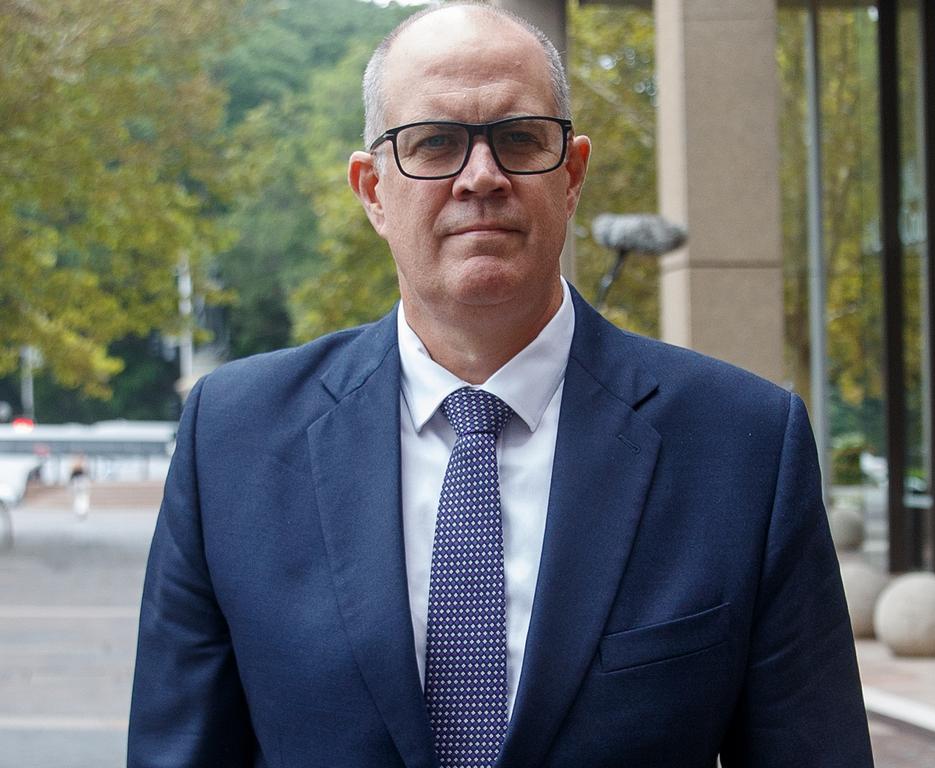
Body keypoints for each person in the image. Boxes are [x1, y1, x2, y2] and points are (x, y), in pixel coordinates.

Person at [128, 4, 874, 767]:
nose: (480, 177)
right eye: (435, 143)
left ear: (573, 174)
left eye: (519, 139)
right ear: (372, 189)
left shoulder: (743, 444)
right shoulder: (234, 438)